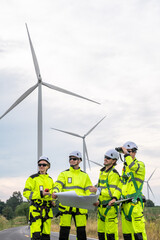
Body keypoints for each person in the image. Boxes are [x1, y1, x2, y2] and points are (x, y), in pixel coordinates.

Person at [108, 141, 147, 240]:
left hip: (135, 205)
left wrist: (126, 154)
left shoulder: (140, 165)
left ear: (134, 152)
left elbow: (133, 166)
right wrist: (114, 197)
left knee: (139, 234)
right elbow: (121, 184)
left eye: (129, 152)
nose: (126, 154)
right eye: (125, 152)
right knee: (127, 235)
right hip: (125, 205)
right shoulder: (125, 169)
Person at [52, 150, 93, 240]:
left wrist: (92, 200)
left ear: (79, 161)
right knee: (64, 233)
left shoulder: (85, 176)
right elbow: (58, 184)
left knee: (81, 233)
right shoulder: (64, 174)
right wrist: (55, 191)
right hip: (66, 207)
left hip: (80, 208)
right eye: (70, 158)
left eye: (74, 159)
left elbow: (88, 191)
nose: (71, 160)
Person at [89, 149, 120, 240]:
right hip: (101, 208)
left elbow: (111, 192)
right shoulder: (102, 172)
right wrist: (96, 199)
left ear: (114, 161)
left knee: (111, 235)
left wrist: (97, 189)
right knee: (101, 234)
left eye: (108, 158)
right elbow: (100, 191)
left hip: (110, 209)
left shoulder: (113, 174)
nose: (105, 159)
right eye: (105, 157)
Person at [23, 156, 55, 240]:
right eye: (40, 164)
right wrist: (41, 194)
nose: (41, 166)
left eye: (44, 165)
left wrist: (52, 200)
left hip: (47, 211)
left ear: (48, 166)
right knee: (36, 236)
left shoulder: (50, 180)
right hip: (35, 211)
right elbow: (26, 193)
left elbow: (52, 194)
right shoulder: (32, 178)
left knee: (46, 237)